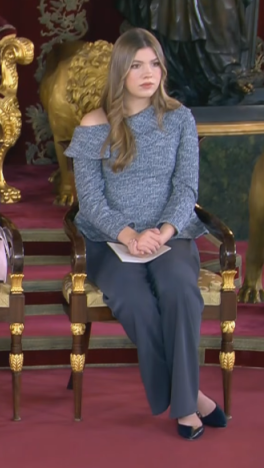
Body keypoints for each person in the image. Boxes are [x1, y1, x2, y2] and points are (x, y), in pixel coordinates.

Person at [64, 27, 228, 440]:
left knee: (179, 291)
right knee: (135, 301)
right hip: (108, 240)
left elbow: (186, 188)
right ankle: (191, 399)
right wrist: (128, 236)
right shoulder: (94, 125)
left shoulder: (179, 119)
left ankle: (184, 406)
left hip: (170, 234)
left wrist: (164, 230)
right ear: (120, 71)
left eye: (154, 64)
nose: (148, 73)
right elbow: (90, 201)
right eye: (136, 65)